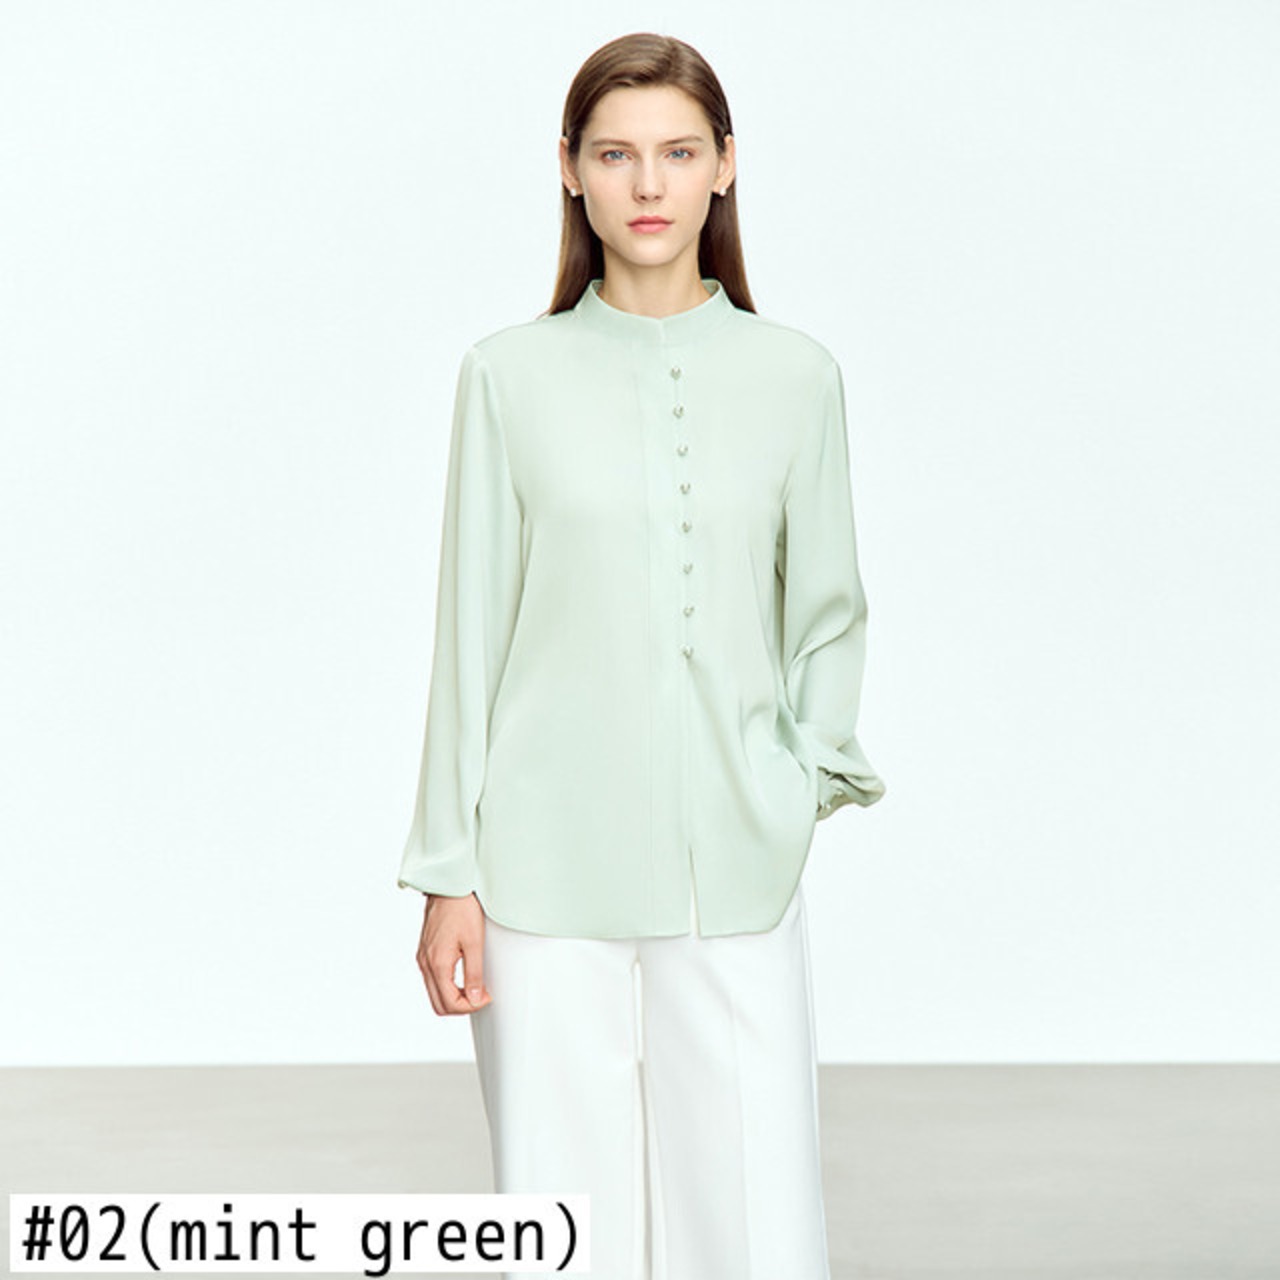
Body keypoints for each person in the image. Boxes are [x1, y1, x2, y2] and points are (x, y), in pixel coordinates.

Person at [397, 31, 886, 1280]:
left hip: (735, 868)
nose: (648, 184)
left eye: (676, 151)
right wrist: (448, 871)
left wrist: (792, 784)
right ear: (570, 169)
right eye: (615, 155)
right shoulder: (505, 377)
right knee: (561, 1225)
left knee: (752, 1224)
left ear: (725, 164)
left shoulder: (796, 378)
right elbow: (468, 635)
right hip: (536, 874)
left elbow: (827, 614)